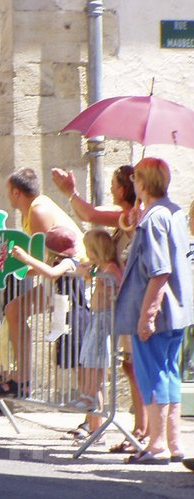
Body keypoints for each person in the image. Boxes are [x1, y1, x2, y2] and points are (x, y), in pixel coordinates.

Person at [51, 164, 147, 449]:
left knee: (135, 367)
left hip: (132, 302)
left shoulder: (130, 216)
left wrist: (70, 192)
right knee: (131, 368)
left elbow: (90, 214)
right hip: (126, 302)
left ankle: (142, 431)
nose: (110, 190)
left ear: (122, 188)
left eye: (114, 184)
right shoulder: (127, 218)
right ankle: (139, 429)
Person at [117, 157, 193, 465]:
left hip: (158, 312)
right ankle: (173, 443)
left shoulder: (153, 219)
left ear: (143, 184)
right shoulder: (173, 213)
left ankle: (158, 443)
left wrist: (146, 315)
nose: (132, 184)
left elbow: (159, 270)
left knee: (155, 376)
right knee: (169, 373)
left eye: (135, 179)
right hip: (177, 310)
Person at [0, 167, 86, 397]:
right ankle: (23, 378)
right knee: (15, 310)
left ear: (16, 192)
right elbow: (37, 264)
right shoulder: (32, 210)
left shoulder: (38, 211)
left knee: (78, 348)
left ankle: (23, 379)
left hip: (72, 279)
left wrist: (9, 267)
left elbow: (45, 261)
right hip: (62, 276)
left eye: (8, 191)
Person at [73, 228, 123, 437]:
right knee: (89, 361)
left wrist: (96, 278)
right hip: (97, 317)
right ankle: (92, 419)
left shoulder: (110, 268)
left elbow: (115, 287)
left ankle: (96, 423)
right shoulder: (99, 267)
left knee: (96, 365)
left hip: (105, 318)